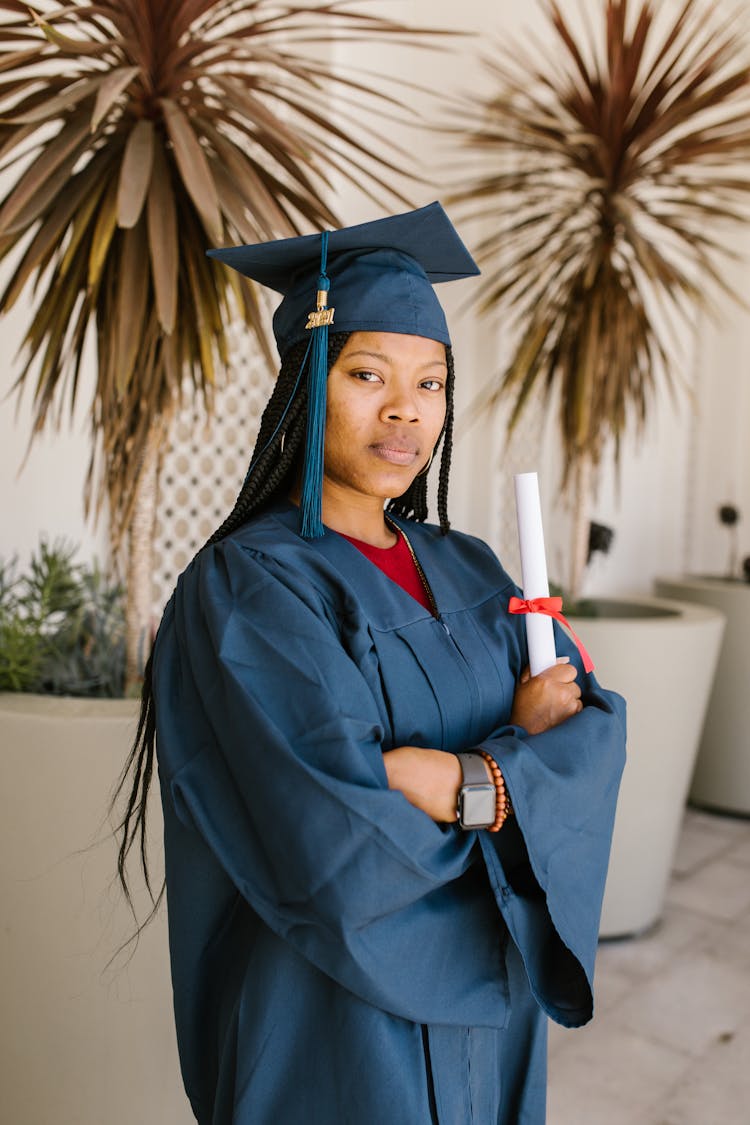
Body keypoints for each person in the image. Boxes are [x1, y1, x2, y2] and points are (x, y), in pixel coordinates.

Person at [116, 201, 626, 1125]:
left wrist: (464, 781)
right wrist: (517, 785)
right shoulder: (248, 587)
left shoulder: (472, 565)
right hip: (331, 1027)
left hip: (491, 1026)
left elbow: (590, 728)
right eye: (367, 374)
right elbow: (332, 840)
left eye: (431, 383)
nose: (405, 409)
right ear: (306, 384)